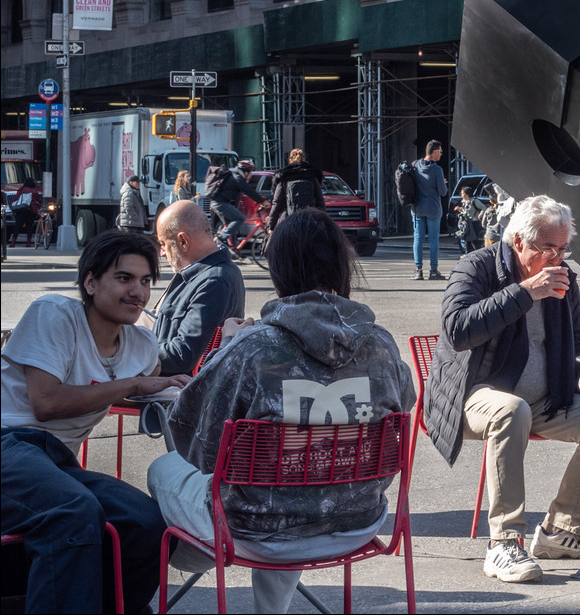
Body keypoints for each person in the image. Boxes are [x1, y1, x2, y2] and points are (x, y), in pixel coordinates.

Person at [147, 209, 416, 613]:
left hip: (255, 530)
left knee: (164, 470)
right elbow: (405, 402)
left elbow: (196, 445)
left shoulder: (253, 348)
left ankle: (194, 556)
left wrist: (225, 348)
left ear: (279, 269)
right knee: (291, 475)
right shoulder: (382, 345)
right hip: (357, 519)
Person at [424, 195, 580, 583]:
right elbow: (457, 329)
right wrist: (526, 292)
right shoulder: (475, 267)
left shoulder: (563, 277)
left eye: (563, 248)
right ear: (518, 241)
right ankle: (503, 543)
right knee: (511, 410)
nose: (557, 257)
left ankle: (562, 531)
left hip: (545, 399)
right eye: (548, 248)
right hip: (473, 396)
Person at [1, 230, 190, 613]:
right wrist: (134, 383)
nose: (137, 291)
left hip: (54, 462)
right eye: (124, 278)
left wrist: (172, 388)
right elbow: (47, 403)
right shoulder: (54, 313)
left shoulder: (142, 346)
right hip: (8, 442)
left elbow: (125, 384)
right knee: (73, 511)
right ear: (90, 282)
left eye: (145, 281)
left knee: (149, 523)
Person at [152, 200, 246, 375]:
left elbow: (181, 355)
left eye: (163, 244)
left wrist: (129, 355)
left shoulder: (215, 281)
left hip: (173, 394)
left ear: (183, 241)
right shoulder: (201, 273)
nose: (162, 253)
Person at [412, 140, 448, 280]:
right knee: (433, 240)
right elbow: (443, 192)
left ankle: (418, 270)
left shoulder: (416, 165)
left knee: (418, 239)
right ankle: (433, 271)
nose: (441, 154)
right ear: (434, 152)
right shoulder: (437, 170)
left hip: (418, 208)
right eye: (440, 151)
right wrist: (443, 183)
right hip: (433, 209)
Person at [209, 159, 264, 250]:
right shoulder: (237, 178)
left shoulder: (234, 176)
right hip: (220, 204)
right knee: (239, 218)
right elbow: (249, 191)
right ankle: (221, 238)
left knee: (232, 225)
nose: (251, 175)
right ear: (246, 172)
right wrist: (263, 201)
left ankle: (233, 249)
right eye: (251, 172)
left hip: (218, 203)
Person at [267, 148, 325, 232]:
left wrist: (271, 226)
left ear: (290, 160)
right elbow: (320, 201)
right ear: (304, 159)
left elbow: (277, 203)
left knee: (273, 243)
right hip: (309, 221)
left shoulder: (284, 176)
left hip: (288, 220)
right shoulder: (312, 175)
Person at [453, 186, 486, 255]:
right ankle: (468, 254)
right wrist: (460, 209)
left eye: (462, 193)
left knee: (475, 241)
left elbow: (483, 207)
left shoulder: (474, 201)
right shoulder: (464, 202)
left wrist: (481, 214)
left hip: (474, 223)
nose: (461, 195)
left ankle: (478, 255)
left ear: (467, 194)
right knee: (467, 241)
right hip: (467, 223)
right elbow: (466, 211)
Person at [8, 177, 40, 247]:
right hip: (31, 210)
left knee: (17, 226)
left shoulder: (21, 190)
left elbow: (16, 199)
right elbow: (37, 200)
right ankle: (28, 243)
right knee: (29, 227)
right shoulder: (34, 191)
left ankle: (13, 242)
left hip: (21, 210)